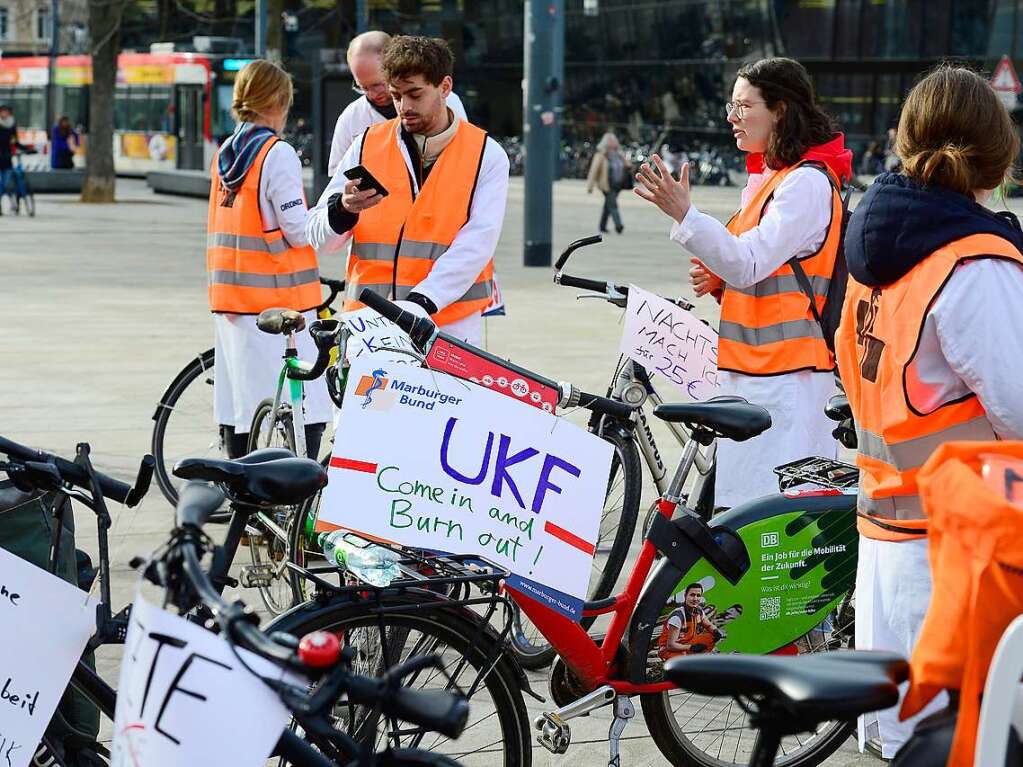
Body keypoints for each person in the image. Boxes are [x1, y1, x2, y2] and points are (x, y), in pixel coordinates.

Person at [834, 65, 1023, 759]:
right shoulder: (973, 263)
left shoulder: (870, 253)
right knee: (959, 743)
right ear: (997, 154)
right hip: (957, 561)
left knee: (905, 743)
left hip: (884, 544)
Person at [634, 57, 852, 508]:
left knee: (773, 522)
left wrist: (686, 216)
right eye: (730, 107)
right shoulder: (770, 181)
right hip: (758, 375)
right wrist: (720, 278)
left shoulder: (805, 185)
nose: (732, 118)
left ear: (781, 111)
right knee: (745, 515)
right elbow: (755, 268)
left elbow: (749, 262)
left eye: (743, 106)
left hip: (789, 381)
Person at [307, 36, 509, 348]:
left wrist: (421, 303)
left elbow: (478, 242)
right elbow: (320, 236)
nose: (404, 107)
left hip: (448, 324)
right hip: (370, 325)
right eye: (396, 96)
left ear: (444, 87)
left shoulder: (486, 155)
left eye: (415, 94)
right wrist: (343, 210)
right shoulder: (365, 144)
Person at [206, 59, 331, 459]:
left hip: (232, 299)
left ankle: (244, 495)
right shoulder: (276, 155)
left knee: (242, 405)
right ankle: (296, 497)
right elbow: (296, 229)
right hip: (282, 302)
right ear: (278, 99)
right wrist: (335, 213)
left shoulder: (226, 153)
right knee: (306, 400)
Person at [326, 31, 467, 177]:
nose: (372, 94)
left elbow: (464, 158)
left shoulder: (444, 101)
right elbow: (337, 178)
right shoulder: (352, 116)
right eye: (363, 88)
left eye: (378, 85)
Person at [657, 583, 721, 659]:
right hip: (668, 650)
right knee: (684, 659)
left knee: (712, 636)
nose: (695, 599)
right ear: (685, 596)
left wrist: (715, 631)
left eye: (698, 595)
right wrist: (691, 647)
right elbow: (670, 645)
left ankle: (698, 659)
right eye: (692, 595)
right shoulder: (677, 616)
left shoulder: (699, 612)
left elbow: (708, 625)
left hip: (686, 644)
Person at [586, 131, 631, 234]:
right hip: (606, 184)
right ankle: (619, 225)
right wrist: (590, 186)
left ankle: (602, 226)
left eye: (614, 140)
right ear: (606, 142)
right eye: (611, 141)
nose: (614, 143)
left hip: (618, 184)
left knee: (608, 205)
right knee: (613, 204)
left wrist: (625, 160)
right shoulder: (601, 154)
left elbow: (628, 166)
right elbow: (594, 170)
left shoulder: (619, 154)